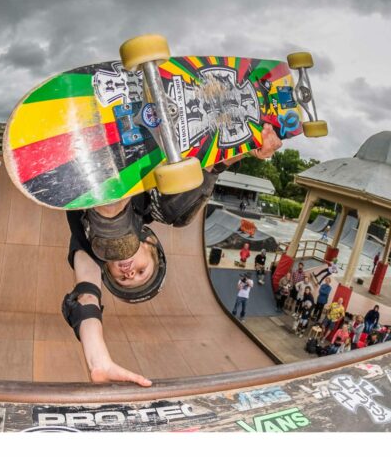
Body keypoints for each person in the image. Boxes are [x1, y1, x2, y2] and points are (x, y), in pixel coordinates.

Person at [62, 124, 283, 386]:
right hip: (147, 137)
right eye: (141, 271)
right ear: (150, 245)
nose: (129, 272)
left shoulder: (89, 253)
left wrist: (98, 361)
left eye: (123, 278)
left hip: (87, 161)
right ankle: (227, 147)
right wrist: (247, 147)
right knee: (177, 217)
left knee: (111, 246)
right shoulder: (155, 209)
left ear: (107, 271)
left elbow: (86, 300)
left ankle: (111, 193)